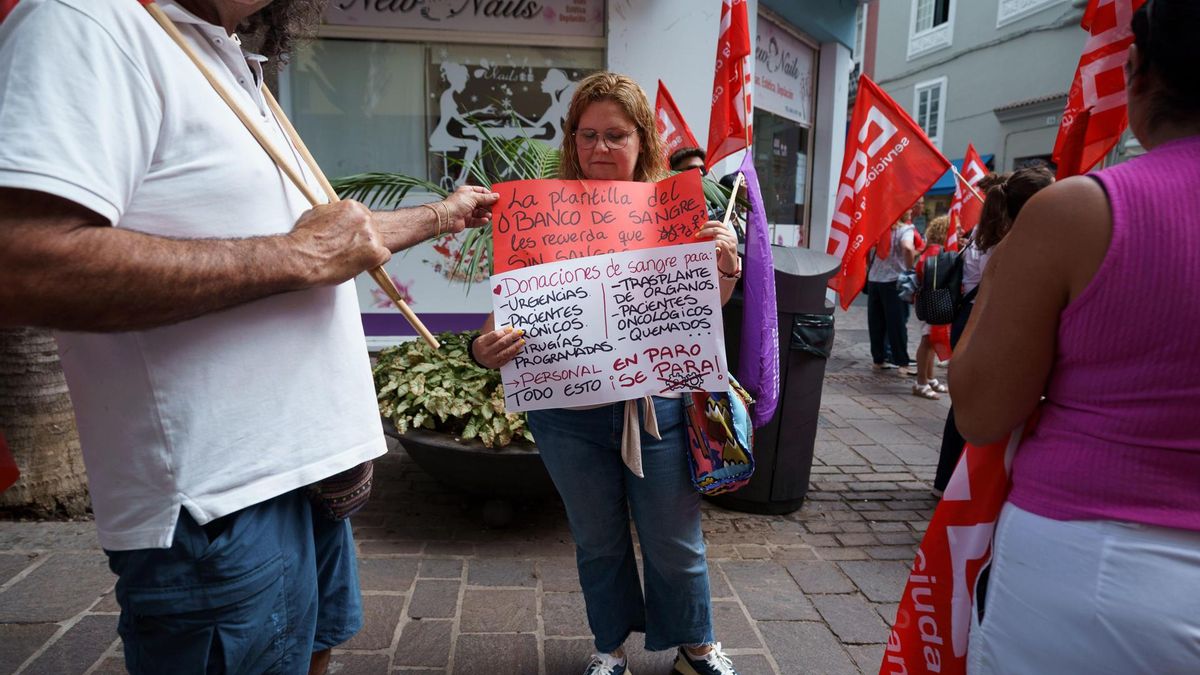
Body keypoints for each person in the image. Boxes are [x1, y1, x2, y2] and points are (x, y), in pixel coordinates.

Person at [0, 2, 500, 674]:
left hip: (307, 480)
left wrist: (442, 214)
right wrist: (296, 257)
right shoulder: (87, 20)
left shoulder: (222, 54)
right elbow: (24, 259)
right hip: (220, 505)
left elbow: (329, 241)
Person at [953, 1, 1200, 670]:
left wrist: (1002, 272)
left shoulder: (1078, 213)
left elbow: (981, 409)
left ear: (1138, 71)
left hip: (1091, 574)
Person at [470, 72, 742, 675]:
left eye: (615, 135)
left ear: (642, 139)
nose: (600, 148)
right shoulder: (540, 212)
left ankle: (696, 644)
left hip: (658, 407)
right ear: (571, 138)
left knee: (674, 540)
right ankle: (609, 646)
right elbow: (504, 312)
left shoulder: (674, 209)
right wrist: (484, 349)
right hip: (565, 415)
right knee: (597, 541)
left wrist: (723, 264)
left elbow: (703, 310)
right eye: (587, 134)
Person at [931, 168, 1050, 494]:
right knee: (975, 408)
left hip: (968, 322)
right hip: (983, 323)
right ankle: (961, 485)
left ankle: (947, 482)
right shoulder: (1009, 243)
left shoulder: (983, 236)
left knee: (964, 405)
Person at [867, 218, 917, 375]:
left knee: (876, 323)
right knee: (897, 324)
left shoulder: (878, 227)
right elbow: (907, 248)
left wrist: (872, 267)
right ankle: (902, 363)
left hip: (875, 279)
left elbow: (868, 252)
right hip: (894, 280)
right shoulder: (905, 229)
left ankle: (878, 360)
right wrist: (910, 269)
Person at [911, 215, 950, 399]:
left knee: (931, 341)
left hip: (929, 301)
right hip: (934, 302)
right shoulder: (936, 251)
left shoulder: (931, 250)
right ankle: (921, 382)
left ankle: (929, 378)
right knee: (928, 342)